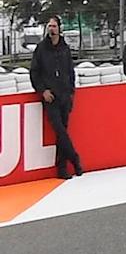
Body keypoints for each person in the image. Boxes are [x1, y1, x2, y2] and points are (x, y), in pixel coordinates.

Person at [30, 17, 83, 178]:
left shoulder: (65, 48)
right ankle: (74, 158)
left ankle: (62, 168)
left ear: (59, 28)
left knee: (63, 132)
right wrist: (42, 90)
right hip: (50, 96)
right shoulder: (41, 49)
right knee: (60, 131)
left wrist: (71, 91)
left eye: (54, 26)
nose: (51, 29)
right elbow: (34, 72)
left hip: (65, 95)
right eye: (49, 26)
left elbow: (70, 71)